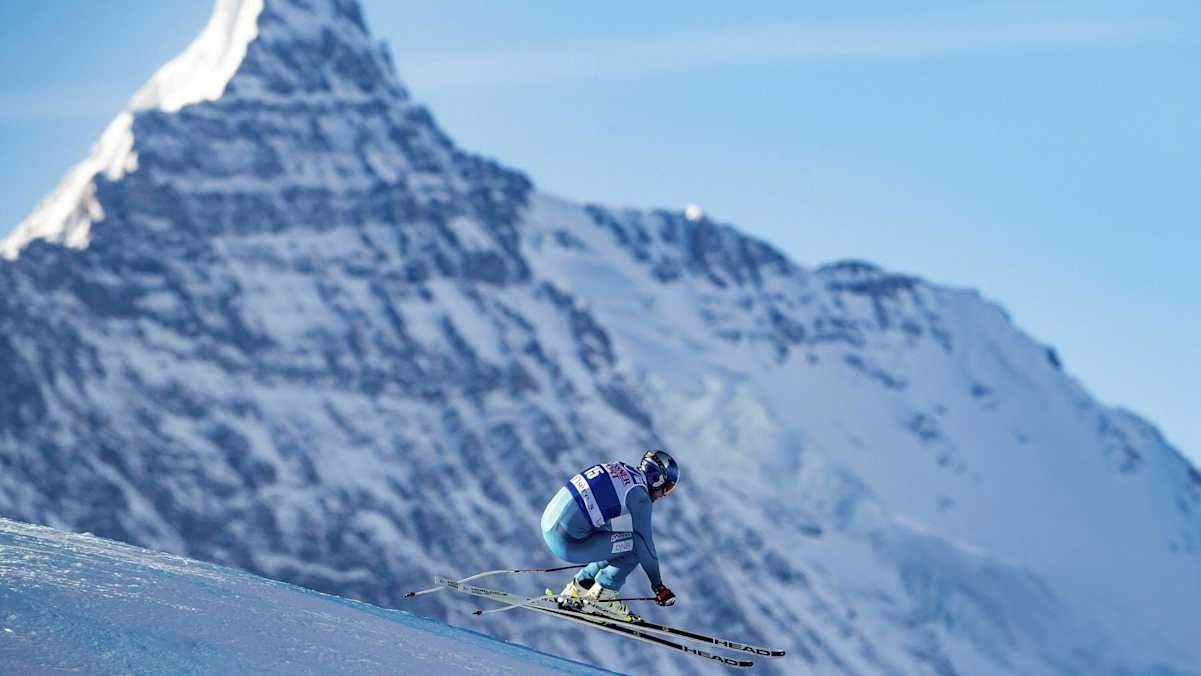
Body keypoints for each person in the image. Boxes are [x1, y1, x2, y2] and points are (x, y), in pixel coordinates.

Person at [541, 450, 680, 622]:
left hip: (549, 524)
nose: (663, 495)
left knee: (619, 538)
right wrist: (659, 586)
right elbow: (644, 544)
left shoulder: (619, 467)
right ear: (658, 479)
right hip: (566, 543)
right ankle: (602, 597)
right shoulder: (640, 497)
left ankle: (579, 588)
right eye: (667, 488)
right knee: (636, 545)